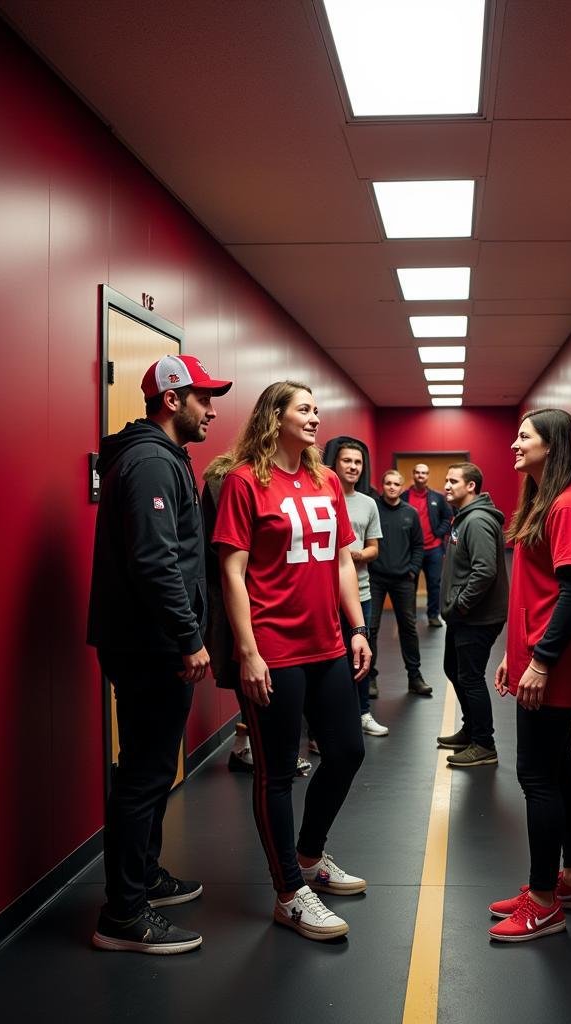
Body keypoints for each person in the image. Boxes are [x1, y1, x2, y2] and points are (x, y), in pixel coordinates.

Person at [214, 381, 371, 942]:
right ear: (273, 417)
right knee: (276, 771)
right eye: (303, 409)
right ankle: (288, 893)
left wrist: (357, 628)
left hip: (327, 643)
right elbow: (232, 572)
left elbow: (343, 563)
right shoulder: (243, 481)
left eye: (315, 409)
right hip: (274, 650)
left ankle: (308, 857)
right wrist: (248, 651)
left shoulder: (326, 479)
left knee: (348, 750)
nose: (315, 417)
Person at [87, 353, 232, 955]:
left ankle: (144, 877)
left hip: (149, 641)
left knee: (147, 769)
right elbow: (155, 561)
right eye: (202, 397)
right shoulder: (150, 462)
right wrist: (188, 637)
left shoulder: (162, 457)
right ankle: (123, 914)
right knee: (144, 776)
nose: (211, 408)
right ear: (171, 400)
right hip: (150, 646)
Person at [488, 409, 571, 942]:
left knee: (537, 777)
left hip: (551, 668)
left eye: (524, 437)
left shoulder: (570, 505)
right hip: (538, 659)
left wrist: (540, 660)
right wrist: (516, 652)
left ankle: (542, 902)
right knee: (559, 770)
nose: (514, 444)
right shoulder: (545, 501)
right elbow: (537, 592)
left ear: (552, 446)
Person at [201, 453, 312, 778]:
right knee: (254, 678)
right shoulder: (230, 481)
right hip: (241, 596)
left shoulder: (296, 477)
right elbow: (216, 550)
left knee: (266, 684)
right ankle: (273, 758)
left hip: (275, 597)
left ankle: (254, 751)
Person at [437, 462, 508, 767]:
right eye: (447, 481)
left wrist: (461, 605)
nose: (447, 486)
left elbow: (484, 571)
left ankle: (484, 744)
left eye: (454, 481)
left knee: (470, 677)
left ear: (471, 487)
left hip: (476, 617)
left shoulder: (476, 521)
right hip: (462, 616)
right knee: (454, 670)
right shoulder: (463, 518)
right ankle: (472, 729)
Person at [328, 440, 388, 737]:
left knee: (362, 655)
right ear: (335, 464)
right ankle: (324, 724)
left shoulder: (368, 503)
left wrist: (357, 556)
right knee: (330, 661)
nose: (353, 467)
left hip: (361, 593)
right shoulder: (323, 495)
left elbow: (374, 548)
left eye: (358, 462)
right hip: (326, 596)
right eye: (347, 461)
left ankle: (363, 713)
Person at [368, 470, 431, 697]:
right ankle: (369, 678)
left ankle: (414, 677)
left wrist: (413, 571)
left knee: (408, 628)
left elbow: (418, 546)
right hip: (375, 578)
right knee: (370, 629)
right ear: (382, 485)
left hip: (403, 579)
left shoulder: (410, 513)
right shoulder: (372, 508)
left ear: (402, 487)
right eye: (388, 483)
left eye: (396, 484)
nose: (392, 487)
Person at [404, 463, 452, 627]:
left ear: (427, 476)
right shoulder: (404, 497)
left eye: (424, 473)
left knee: (434, 584)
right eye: (417, 472)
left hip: (434, 549)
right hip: (412, 550)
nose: (421, 476)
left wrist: (439, 533)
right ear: (413, 475)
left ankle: (433, 615)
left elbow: (448, 518)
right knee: (410, 585)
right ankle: (410, 617)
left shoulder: (437, 498)